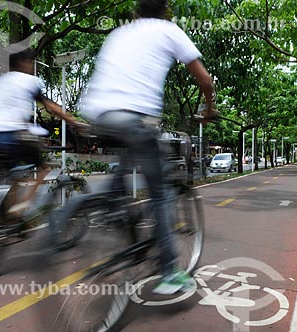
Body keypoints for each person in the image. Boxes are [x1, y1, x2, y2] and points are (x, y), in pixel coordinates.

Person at [79, 0, 217, 295]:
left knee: (120, 181)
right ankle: (170, 271)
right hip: (135, 121)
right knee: (162, 193)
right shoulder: (168, 30)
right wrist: (208, 108)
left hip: (100, 116)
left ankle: (103, 207)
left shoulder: (118, 33)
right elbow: (204, 79)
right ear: (166, 10)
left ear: (135, 12)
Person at [0, 50, 79, 216]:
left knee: (15, 177)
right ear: (24, 63)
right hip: (10, 136)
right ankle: (23, 206)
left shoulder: (2, 81)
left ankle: (10, 221)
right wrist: (75, 122)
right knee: (43, 168)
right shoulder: (28, 81)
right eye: (31, 63)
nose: (32, 67)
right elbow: (51, 107)